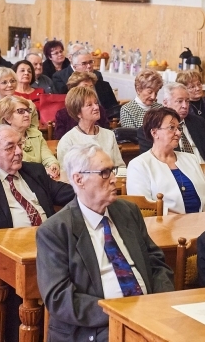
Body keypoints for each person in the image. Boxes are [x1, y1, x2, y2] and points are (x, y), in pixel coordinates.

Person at [37, 144, 174, 342]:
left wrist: (158, 303)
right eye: (104, 173)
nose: (113, 179)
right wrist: (121, 312)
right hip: (95, 326)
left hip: (148, 315)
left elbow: (157, 263)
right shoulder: (55, 230)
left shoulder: (128, 211)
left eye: (113, 170)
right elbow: (60, 298)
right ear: (79, 179)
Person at [0, 125, 75, 341]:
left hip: (46, 249)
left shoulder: (33, 171)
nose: (19, 151)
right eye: (10, 147)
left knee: (82, 269)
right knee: (16, 281)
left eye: (20, 145)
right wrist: (19, 243)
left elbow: (64, 192)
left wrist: (88, 187)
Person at [127, 107, 205, 214]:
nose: (178, 133)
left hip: (202, 220)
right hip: (165, 223)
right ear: (154, 133)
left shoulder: (191, 159)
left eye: (179, 128)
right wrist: (184, 221)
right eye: (171, 128)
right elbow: (144, 208)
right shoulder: (139, 165)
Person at [137, 83, 205, 163]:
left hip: (204, 167)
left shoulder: (198, 122)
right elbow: (151, 162)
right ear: (165, 103)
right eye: (179, 101)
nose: (185, 106)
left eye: (187, 101)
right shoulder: (153, 128)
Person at [56, 86, 125, 180]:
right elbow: (66, 177)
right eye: (89, 105)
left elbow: (120, 167)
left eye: (96, 103)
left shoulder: (109, 135)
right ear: (78, 113)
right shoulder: (68, 140)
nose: (96, 107)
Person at [0, 95, 60, 179]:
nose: (27, 114)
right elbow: (17, 167)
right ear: (8, 118)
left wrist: (53, 165)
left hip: (40, 178)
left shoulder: (36, 134)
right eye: (20, 111)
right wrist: (43, 171)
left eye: (28, 110)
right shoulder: (3, 139)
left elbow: (47, 156)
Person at [0, 67, 39, 137]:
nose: (10, 85)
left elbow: (35, 133)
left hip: (28, 142)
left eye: (12, 81)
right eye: (4, 82)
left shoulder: (29, 105)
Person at [53, 49, 119, 113]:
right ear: (75, 67)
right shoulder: (72, 86)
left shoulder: (104, 85)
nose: (89, 66)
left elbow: (114, 110)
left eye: (90, 62)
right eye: (84, 63)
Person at [53, 72, 110, 139]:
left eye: (91, 86)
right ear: (74, 89)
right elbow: (59, 139)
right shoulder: (62, 114)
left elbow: (106, 135)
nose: (89, 89)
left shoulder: (99, 110)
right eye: (85, 86)